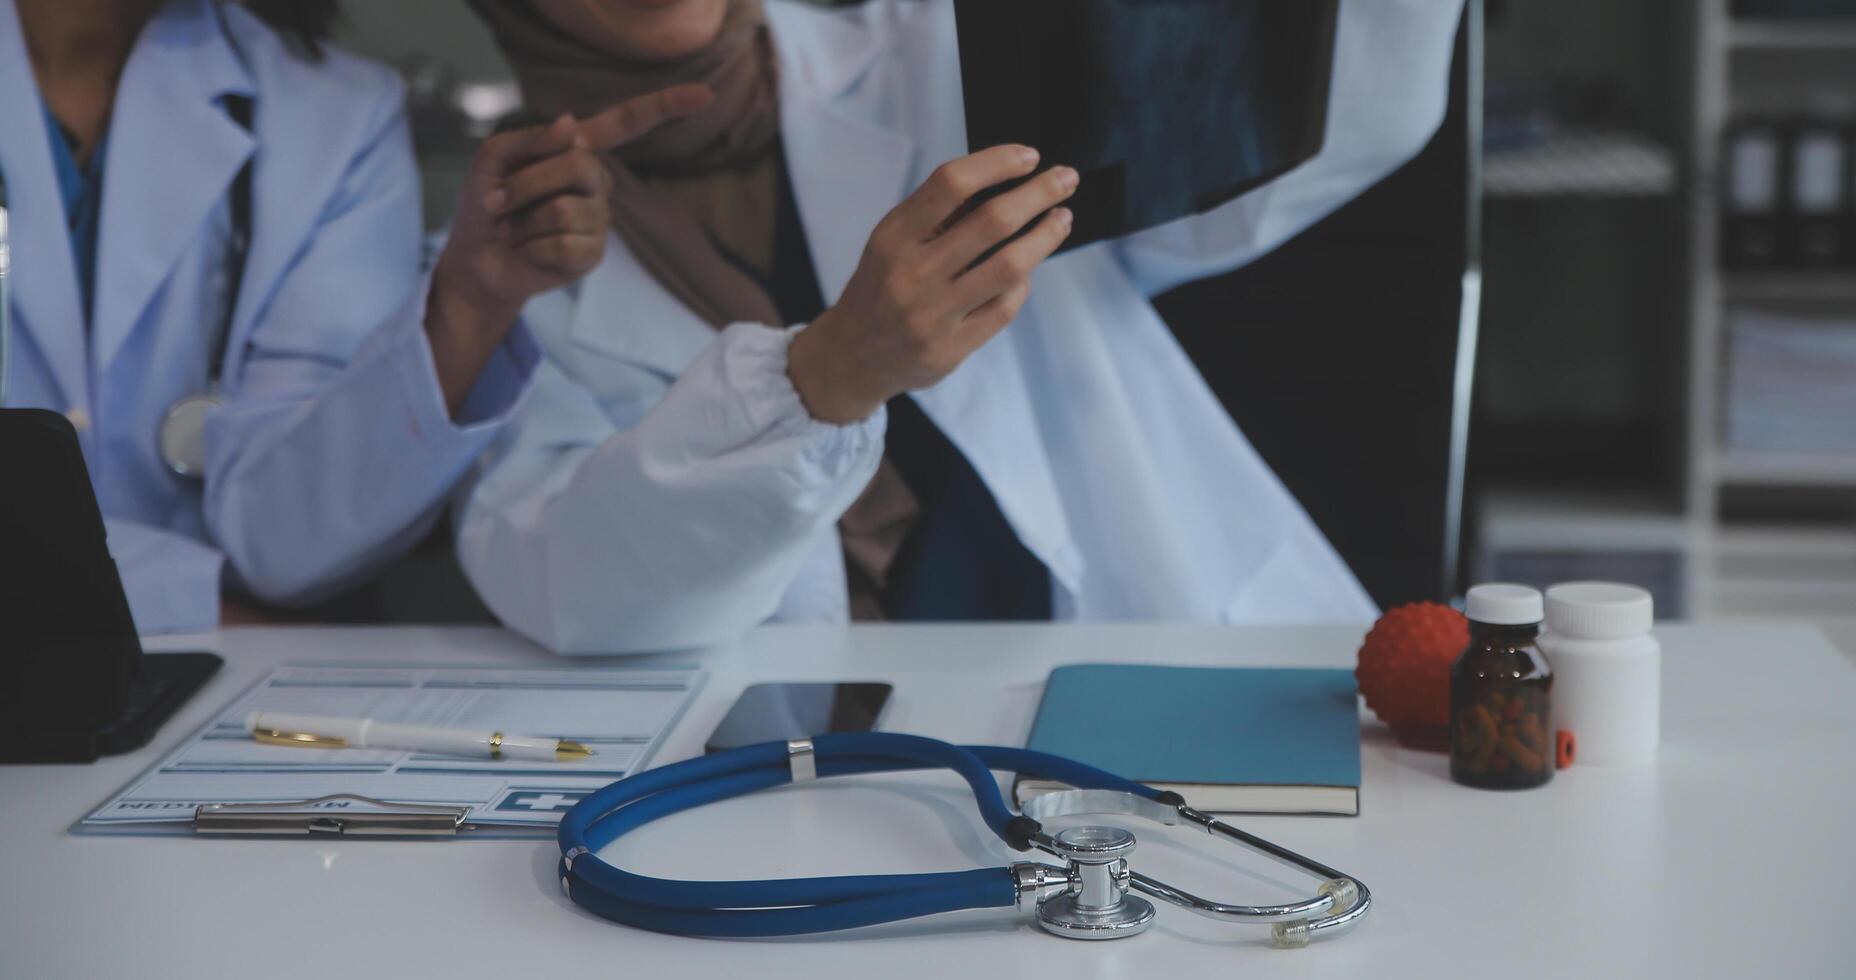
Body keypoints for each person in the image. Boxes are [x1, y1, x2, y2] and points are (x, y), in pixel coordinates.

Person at [457, 0, 1466, 654]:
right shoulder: (492, 265)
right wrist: (823, 377)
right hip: (792, 778)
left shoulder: (934, 53)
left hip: (1114, 676)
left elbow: (1308, 122)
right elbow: (574, 582)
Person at [0, 0, 707, 631]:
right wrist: (189, 602)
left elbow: (284, 541)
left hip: (193, 684)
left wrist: (469, 301)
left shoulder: (331, 112)